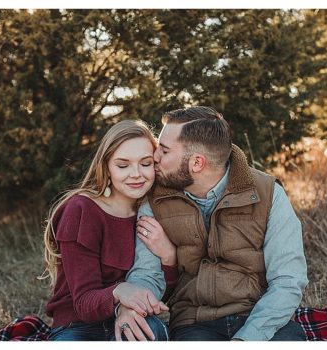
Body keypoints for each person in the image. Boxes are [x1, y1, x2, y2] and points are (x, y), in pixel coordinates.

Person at [118, 106, 308, 341]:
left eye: (164, 151)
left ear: (197, 163)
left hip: (259, 317)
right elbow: (147, 274)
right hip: (194, 323)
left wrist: (247, 339)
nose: (154, 157)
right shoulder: (155, 200)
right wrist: (132, 303)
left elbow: (288, 281)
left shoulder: (268, 194)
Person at [41, 119, 179, 342]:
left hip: (134, 317)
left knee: (153, 333)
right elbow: (84, 304)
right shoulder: (81, 210)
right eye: (123, 166)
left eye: (145, 163)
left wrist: (169, 257)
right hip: (77, 326)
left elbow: (162, 296)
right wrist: (121, 291)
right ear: (106, 167)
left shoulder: (154, 211)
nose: (136, 174)